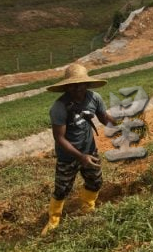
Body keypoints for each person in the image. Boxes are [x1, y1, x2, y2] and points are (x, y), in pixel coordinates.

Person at [41, 63, 116, 235]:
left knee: (95, 181)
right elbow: (59, 138)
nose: (77, 89)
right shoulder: (59, 107)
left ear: (86, 84)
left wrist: (120, 122)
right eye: (73, 86)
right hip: (68, 155)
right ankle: (54, 219)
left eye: (80, 84)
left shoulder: (94, 98)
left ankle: (87, 207)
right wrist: (80, 157)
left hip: (89, 150)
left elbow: (104, 117)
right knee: (62, 188)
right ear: (66, 87)